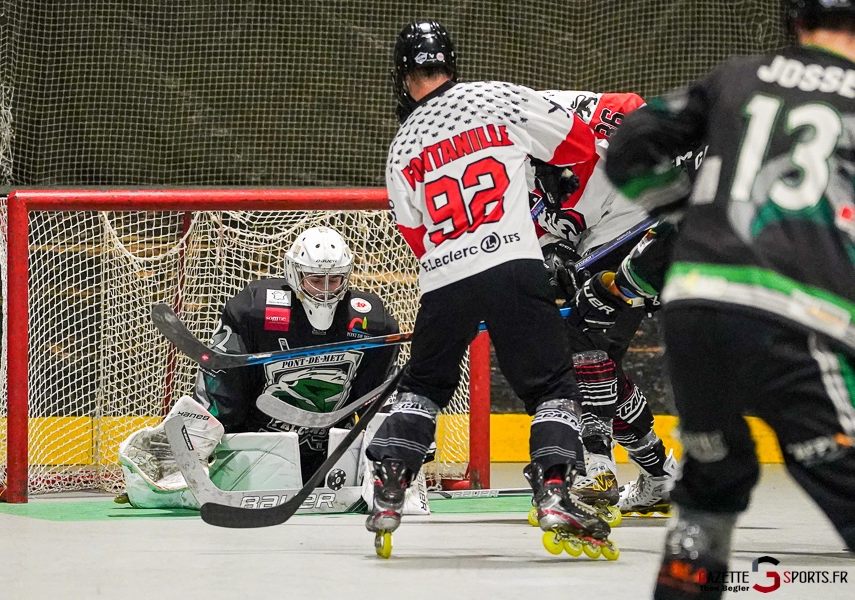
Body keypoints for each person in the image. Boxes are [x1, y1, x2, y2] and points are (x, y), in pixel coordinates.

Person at [605, 1, 855, 596]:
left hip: (697, 307)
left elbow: (628, 147)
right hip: (799, 313)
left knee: (711, 486)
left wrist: (683, 211)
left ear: (797, 22)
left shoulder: (737, 76)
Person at [364, 20, 618, 560]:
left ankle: (389, 486)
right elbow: (578, 144)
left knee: (425, 385)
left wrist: (461, 270)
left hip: (443, 279)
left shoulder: (402, 145)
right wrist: (545, 179)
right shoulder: (496, 97)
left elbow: (415, 234)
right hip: (513, 265)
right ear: (450, 64)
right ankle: (554, 491)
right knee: (551, 387)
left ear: (404, 77)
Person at [118, 226, 401, 508]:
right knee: (219, 389)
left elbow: (376, 395)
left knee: (391, 420)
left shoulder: (373, 321)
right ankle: (175, 459)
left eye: (334, 280)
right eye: (316, 279)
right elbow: (223, 383)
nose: (326, 290)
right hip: (254, 445)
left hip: (330, 452)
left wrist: (393, 445)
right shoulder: (255, 308)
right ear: (295, 273)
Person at [528, 90, 680, 519]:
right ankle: (657, 473)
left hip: (642, 231)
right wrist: (552, 253)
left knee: (584, 341)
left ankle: (595, 464)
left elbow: (640, 117)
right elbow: (534, 229)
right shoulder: (498, 169)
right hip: (594, 244)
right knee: (590, 354)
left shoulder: (584, 116)